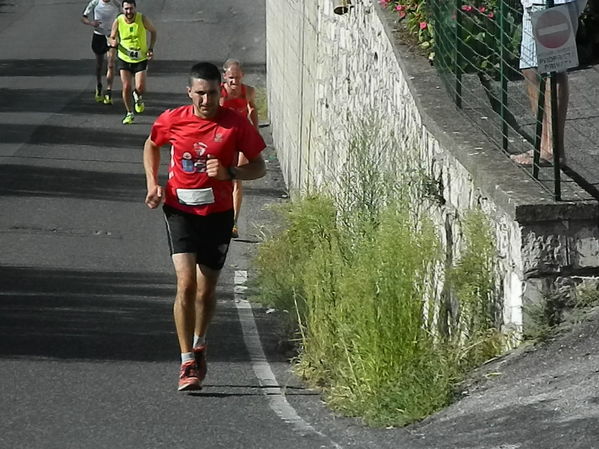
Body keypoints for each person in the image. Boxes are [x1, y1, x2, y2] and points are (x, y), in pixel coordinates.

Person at [143, 62, 266, 391]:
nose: (206, 100)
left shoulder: (235, 125)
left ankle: (200, 342)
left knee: (207, 289)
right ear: (189, 93)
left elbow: (259, 167)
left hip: (218, 214)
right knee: (185, 285)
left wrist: (230, 174)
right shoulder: (173, 120)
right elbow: (152, 144)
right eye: (200, 93)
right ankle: (186, 362)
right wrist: (152, 184)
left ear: (220, 92)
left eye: (212, 93)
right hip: (179, 210)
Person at [511, 0, 587, 166]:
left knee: (554, 69)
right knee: (529, 68)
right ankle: (542, 145)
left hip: (556, 2)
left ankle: (554, 150)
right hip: (533, 2)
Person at [220, 59, 260, 238]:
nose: (234, 82)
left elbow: (252, 109)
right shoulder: (220, 94)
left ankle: (233, 223)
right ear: (224, 77)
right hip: (224, 141)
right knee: (223, 180)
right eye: (230, 78)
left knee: (237, 179)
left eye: (237, 78)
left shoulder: (248, 91)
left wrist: (255, 131)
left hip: (242, 140)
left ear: (242, 76)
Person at [109, 0, 157, 125]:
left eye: (131, 9)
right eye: (126, 9)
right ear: (122, 9)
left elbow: (153, 31)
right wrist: (112, 42)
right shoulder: (119, 20)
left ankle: (137, 95)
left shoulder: (142, 19)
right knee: (126, 86)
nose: (128, 12)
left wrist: (150, 48)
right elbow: (112, 36)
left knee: (140, 87)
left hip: (140, 59)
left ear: (135, 8)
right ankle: (129, 112)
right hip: (124, 58)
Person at [81, 0, 121, 105]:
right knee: (99, 65)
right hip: (98, 36)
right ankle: (99, 86)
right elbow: (84, 17)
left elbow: (124, 16)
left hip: (111, 36)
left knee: (111, 65)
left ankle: (109, 91)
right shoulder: (94, 3)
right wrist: (91, 23)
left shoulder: (116, 3)